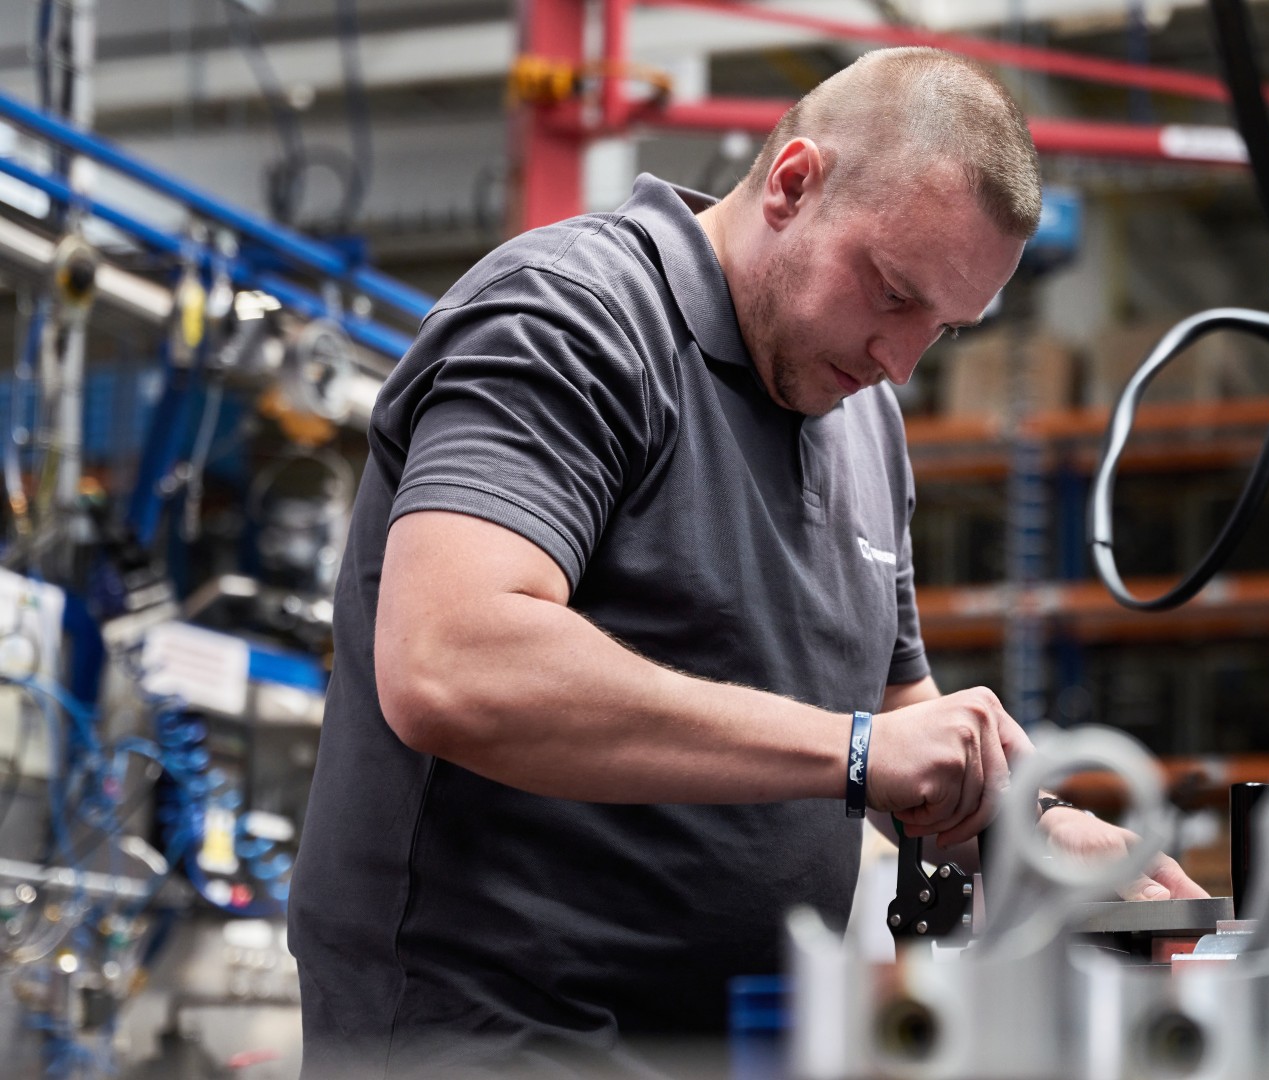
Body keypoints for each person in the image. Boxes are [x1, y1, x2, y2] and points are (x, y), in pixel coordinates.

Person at [289, 46, 1204, 1077]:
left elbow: (899, 715)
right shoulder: (572, 318)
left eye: (943, 331)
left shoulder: (864, 420)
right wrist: (856, 751)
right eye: (894, 294)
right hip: (494, 1035)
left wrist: (1029, 829)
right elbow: (451, 662)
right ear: (793, 183)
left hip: (737, 1039)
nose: (898, 361)